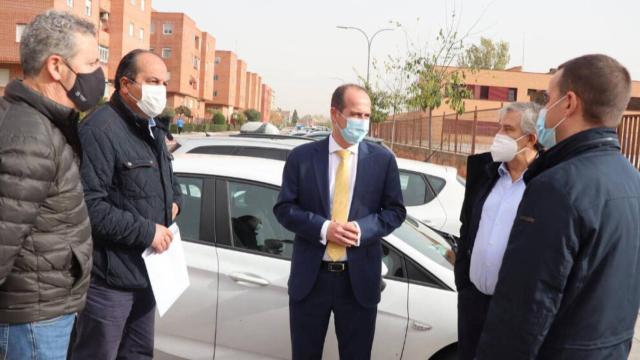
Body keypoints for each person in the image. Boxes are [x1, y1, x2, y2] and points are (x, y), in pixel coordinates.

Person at [475, 54, 640, 359]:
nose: (544, 110)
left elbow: (524, 309)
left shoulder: (557, 186)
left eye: (548, 98)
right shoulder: (633, 181)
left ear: (569, 103)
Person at [274, 84, 406, 359]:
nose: (363, 122)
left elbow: (395, 211)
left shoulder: (382, 161)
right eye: (356, 114)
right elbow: (284, 208)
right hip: (311, 280)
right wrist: (323, 228)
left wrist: (361, 229)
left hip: (358, 283)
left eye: (367, 115)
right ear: (335, 114)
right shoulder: (302, 158)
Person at [0, 10, 100, 359]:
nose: (98, 75)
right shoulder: (29, 135)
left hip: (45, 309)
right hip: (32, 319)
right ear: (57, 67)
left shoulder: (44, 124)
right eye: (91, 63)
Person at [71, 49, 183, 360]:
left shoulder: (152, 128)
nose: (160, 89)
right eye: (152, 81)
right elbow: (88, 206)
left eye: (163, 82)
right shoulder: (100, 130)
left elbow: (171, 184)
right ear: (125, 85)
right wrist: (148, 231)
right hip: (109, 283)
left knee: (137, 354)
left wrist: (175, 203)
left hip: (148, 276)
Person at [455, 102, 541, 360]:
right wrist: (463, 282)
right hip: (473, 302)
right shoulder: (486, 173)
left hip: (513, 311)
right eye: (499, 128)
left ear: (530, 138)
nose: (498, 136)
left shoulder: (545, 182)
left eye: (508, 129)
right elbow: (467, 225)